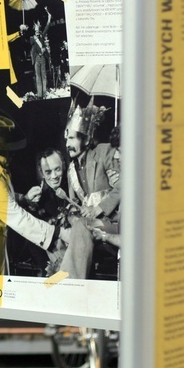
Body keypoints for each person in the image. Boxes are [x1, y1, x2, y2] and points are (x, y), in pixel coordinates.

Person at [0, 115, 69, 276]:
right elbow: (18, 217)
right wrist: (59, 232)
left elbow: (1, 197)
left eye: (57, 169)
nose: (12, 156)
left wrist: (23, 198)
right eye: (48, 171)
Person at [57, 99, 120, 279]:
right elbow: (73, 203)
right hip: (89, 226)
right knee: (66, 229)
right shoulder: (71, 170)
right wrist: (73, 213)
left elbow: (125, 185)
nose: (67, 143)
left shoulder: (104, 152)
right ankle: (55, 276)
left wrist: (98, 208)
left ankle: (70, 284)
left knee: (81, 226)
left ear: (86, 138)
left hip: (113, 222)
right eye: (65, 137)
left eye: (71, 138)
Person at [30, 7, 52, 98]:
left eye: (38, 27)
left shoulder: (42, 36)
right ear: (34, 29)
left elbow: (47, 26)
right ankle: (39, 94)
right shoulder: (32, 39)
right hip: (36, 59)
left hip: (42, 58)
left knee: (44, 76)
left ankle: (44, 93)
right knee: (38, 76)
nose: (37, 29)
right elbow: (32, 48)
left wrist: (49, 17)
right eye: (35, 28)